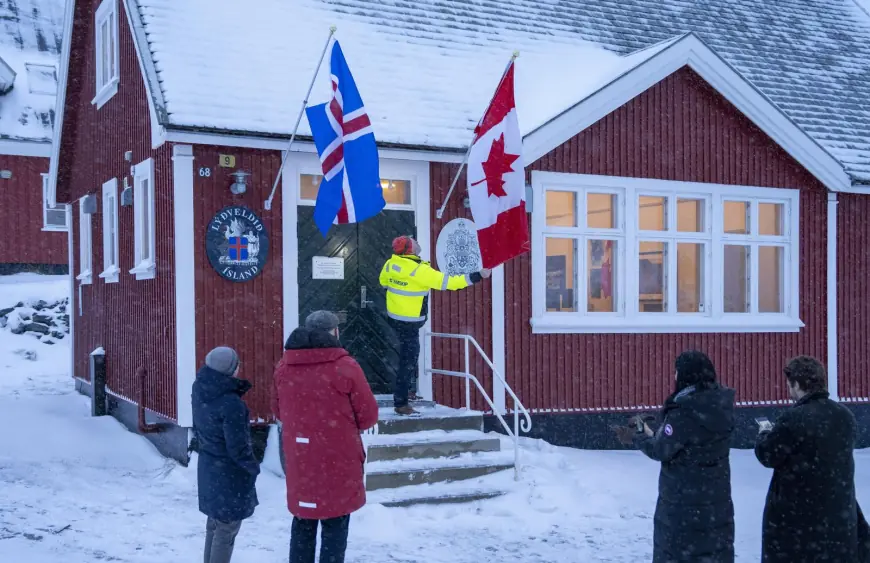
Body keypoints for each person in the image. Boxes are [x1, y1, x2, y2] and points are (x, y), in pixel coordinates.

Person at [273, 310, 379, 563]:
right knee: (336, 521)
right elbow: (368, 415)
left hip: (301, 457)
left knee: (303, 520)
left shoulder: (284, 367)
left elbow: (278, 410)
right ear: (335, 332)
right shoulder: (345, 366)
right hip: (338, 457)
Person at [613, 350, 735, 563]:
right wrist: (653, 433)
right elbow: (681, 443)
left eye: (677, 372)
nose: (675, 377)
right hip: (715, 503)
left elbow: (661, 450)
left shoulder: (684, 411)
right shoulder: (720, 405)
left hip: (683, 506)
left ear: (686, 375)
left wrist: (638, 436)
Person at [755, 356, 866, 562]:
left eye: (790, 385)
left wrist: (764, 433)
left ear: (797, 384)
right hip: (838, 516)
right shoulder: (845, 415)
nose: (789, 391)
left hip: (798, 522)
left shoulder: (794, 418)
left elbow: (767, 455)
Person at [379, 235, 490, 415]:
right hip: (410, 323)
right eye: (412, 240)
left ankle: (404, 394)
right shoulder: (419, 271)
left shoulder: (391, 264)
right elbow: (451, 283)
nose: (416, 240)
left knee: (405, 359)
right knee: (407, 362)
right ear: (411, 249)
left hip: (395, 319)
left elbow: (383, 282)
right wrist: (477, 275)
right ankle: (401, 403)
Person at [192, 346, 260, 563]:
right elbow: (238, 448)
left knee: (214, 524)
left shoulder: (201, 389)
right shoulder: (231, 404)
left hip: (209, 467)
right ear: (231, 369)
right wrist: (252, 467)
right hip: (229, 474)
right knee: (226, 531)